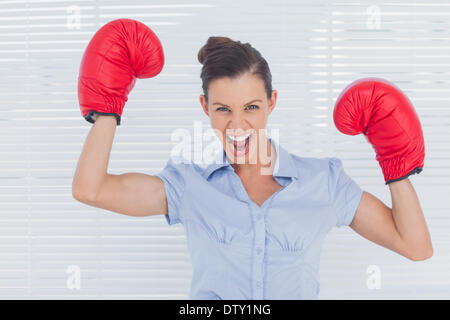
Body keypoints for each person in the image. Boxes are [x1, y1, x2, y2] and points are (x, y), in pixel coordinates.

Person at [72, 18, 433, 300]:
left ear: (272, 102)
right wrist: (107, 109)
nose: (238, 125)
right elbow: (91, 190)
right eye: (223, 109)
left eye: (252, 108)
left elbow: (415, 247)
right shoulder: (188, 186)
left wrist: (396, 163)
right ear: (205, 108)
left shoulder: (323, 182)